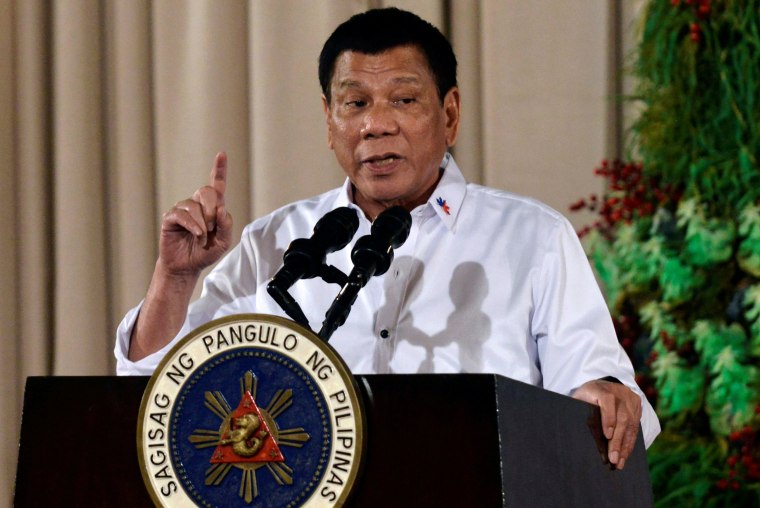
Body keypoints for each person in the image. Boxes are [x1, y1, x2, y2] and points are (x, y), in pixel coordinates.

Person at [115, 7, 660, 470]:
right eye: (355, 104)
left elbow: (601, 395)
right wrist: (176, 278)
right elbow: (152, 390)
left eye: (402, 100)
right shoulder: (274, 247)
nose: (377, 125)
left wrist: (606, 398)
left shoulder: (533, 239)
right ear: (329, 122)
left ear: (449, 115)